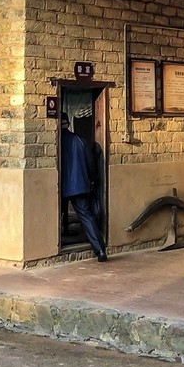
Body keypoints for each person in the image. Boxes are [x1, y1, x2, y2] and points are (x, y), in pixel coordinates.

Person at [60, 112, 107, 262]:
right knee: (86, 216)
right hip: (80, 185)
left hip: (61, 186)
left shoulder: (56, 142)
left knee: (56, 215)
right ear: (68, 124)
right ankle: (100, 250)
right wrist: (91, 180)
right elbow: (90, 164)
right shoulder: (80, 141)